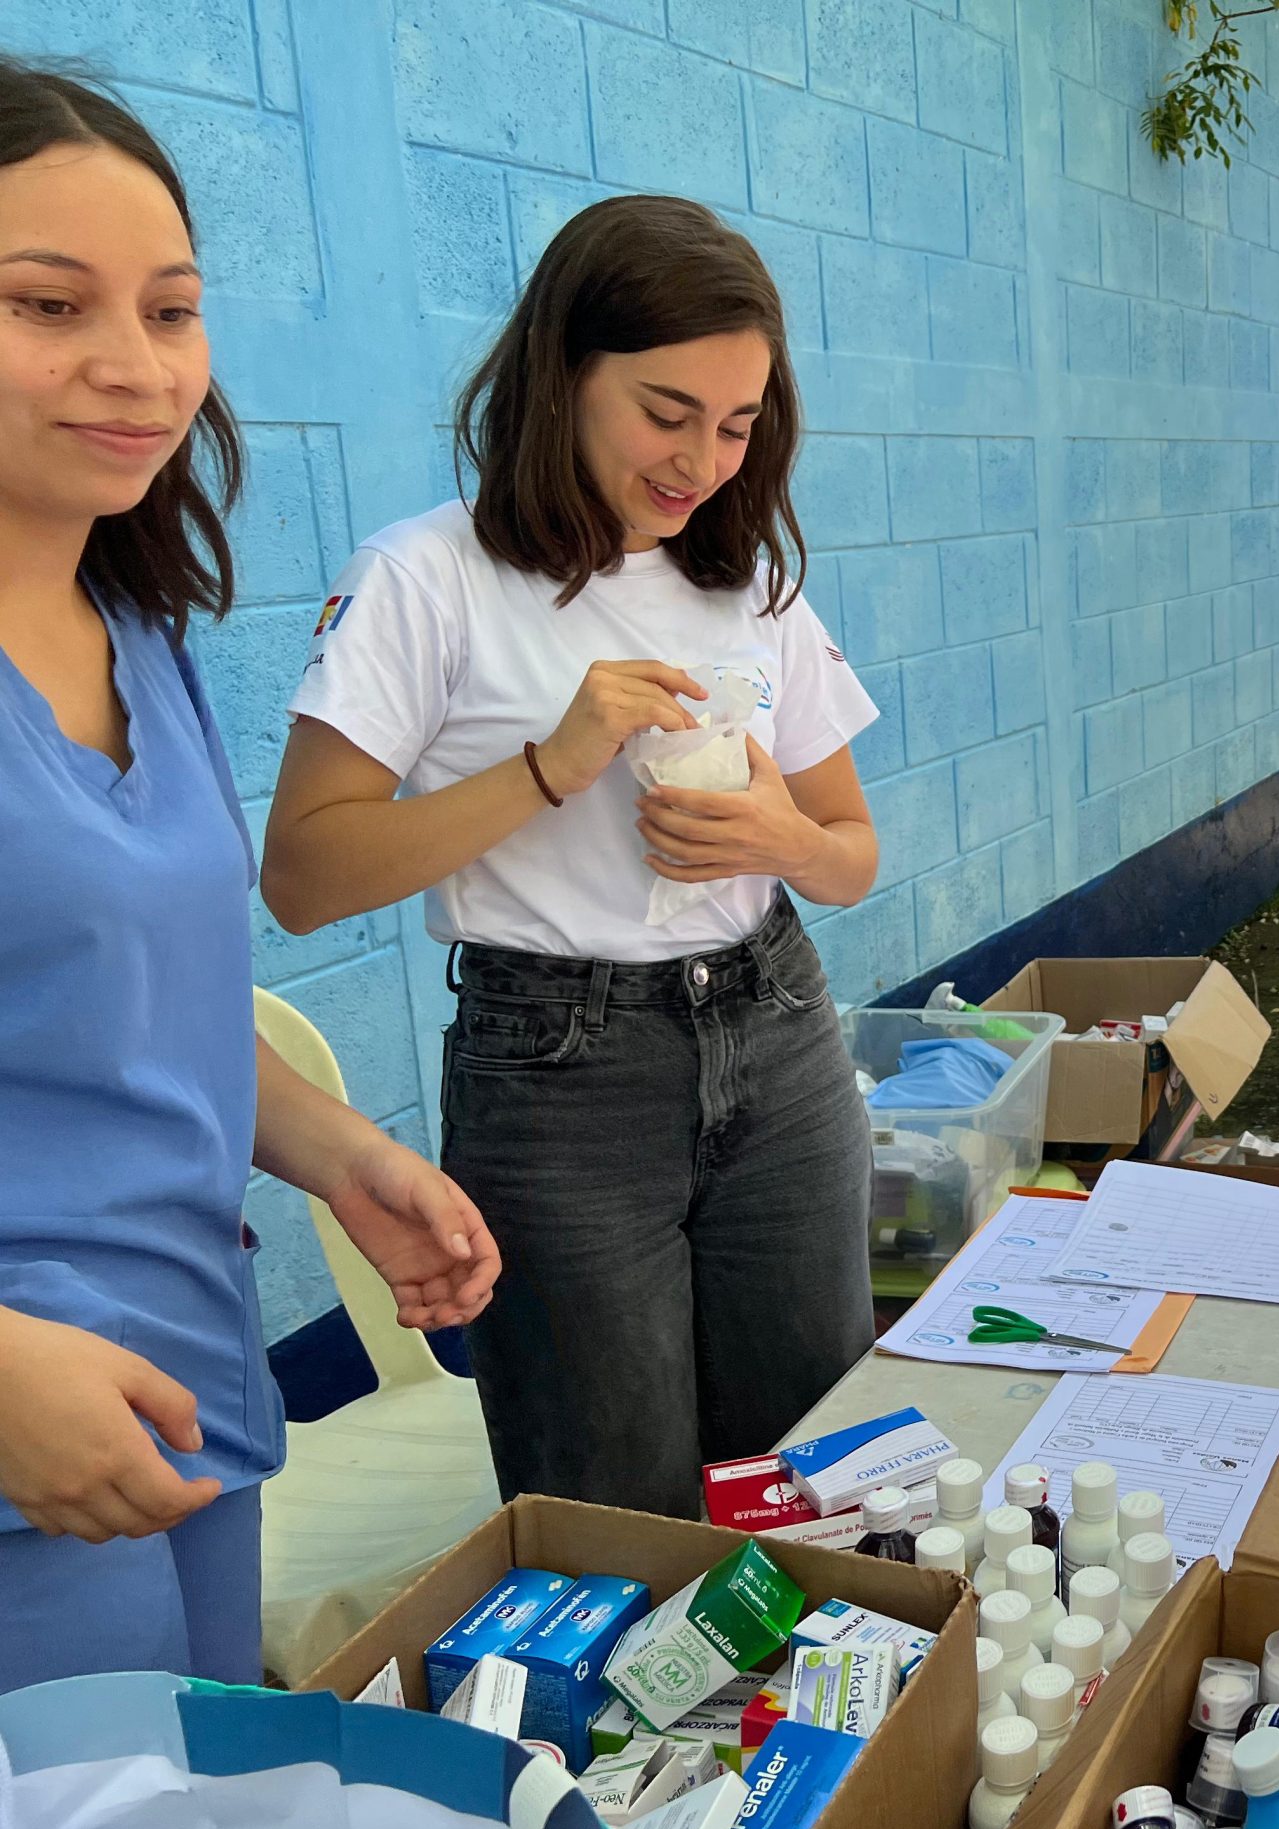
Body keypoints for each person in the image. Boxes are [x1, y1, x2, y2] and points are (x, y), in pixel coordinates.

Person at [262, 197, 880, 1519]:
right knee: (612, 1508)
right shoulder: (426, 578)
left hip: (777, 1032)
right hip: (558, 1074)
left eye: (738, 423)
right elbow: (303, 879)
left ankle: (815, 1729)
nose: (706, 460)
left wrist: (778, 836)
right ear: (562, 374)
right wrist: (549, 764)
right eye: (668, 412)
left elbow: (850, 857)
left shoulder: (748, 582)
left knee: (801, 1475)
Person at [0, 64, 498, 1690]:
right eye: (47, 303)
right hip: (28, 1423)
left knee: (196, 1820)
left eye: (171, 309)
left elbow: (148, 1011)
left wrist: (344, 1156)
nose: (133, 367)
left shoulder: (136, 634)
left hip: (188, 1383)